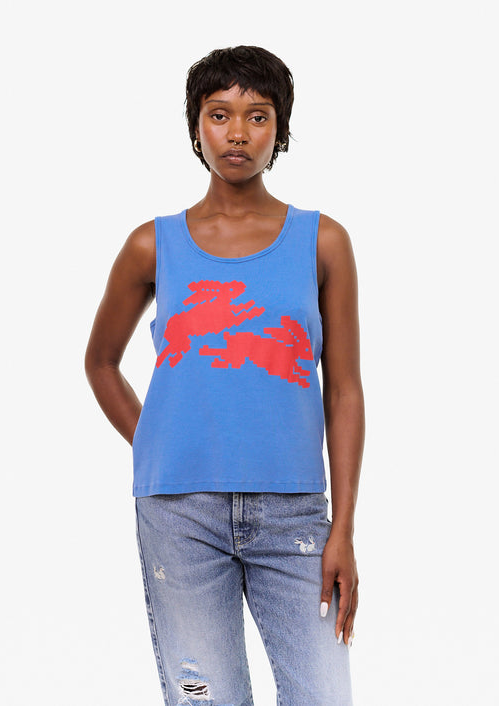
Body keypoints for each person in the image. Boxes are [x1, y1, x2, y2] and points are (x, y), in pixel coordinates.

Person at [85, 45, 364, 706]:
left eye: (257, 116)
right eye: (219, 114)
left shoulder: (322, 241)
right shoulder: (150, 245)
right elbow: (100, 362)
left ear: (280, 131)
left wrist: (344, 529)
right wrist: (158, 442)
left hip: (294, 511)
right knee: (206, 699)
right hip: (179, 513)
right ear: (196, 128)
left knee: (323, 696)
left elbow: (345, 389)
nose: (237, 133)